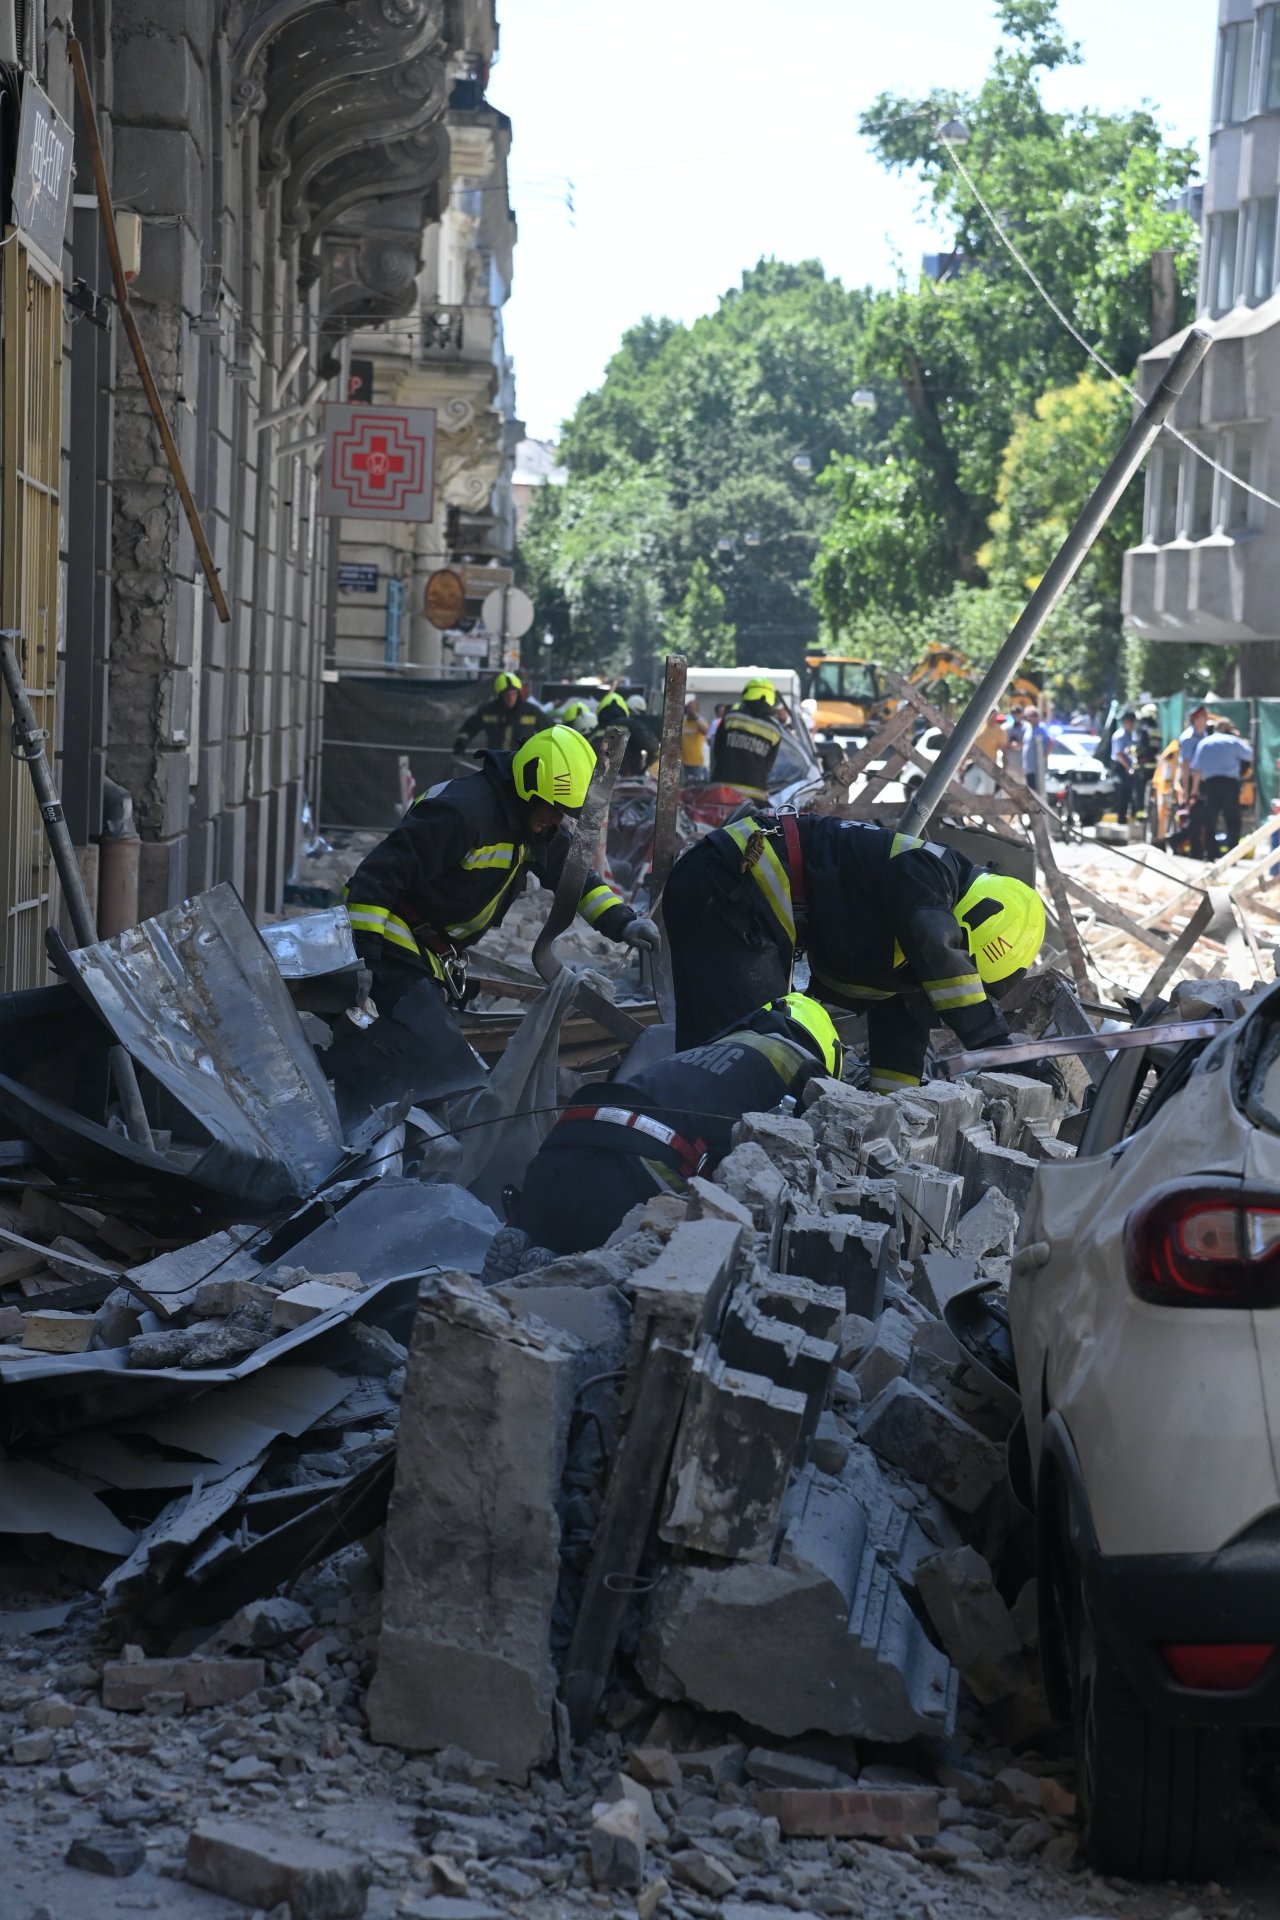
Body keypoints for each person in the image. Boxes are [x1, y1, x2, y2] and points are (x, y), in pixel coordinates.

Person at [662, 812, 1048, 1092]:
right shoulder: (927, 870)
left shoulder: (909, 931)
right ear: (965, 935)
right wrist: (995, 1046)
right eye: (968, 972)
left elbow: (901, 1016)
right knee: (746, 1053)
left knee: (742, 1053)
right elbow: (934, 944)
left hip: (735, 897)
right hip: (726, 883)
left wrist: (890, 1108)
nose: (958, 983)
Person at [344, 725, 660, 1016]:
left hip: (429, 951)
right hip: (387, 940)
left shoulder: (533, 822)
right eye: (554, 808)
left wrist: (623, 923)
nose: (558, 820)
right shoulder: (461, 813)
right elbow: (375, 880)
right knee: (428, 1059)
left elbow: (576, 880)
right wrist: (364, 963)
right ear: (528, 787)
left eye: (564, 813)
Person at [508, 995, 841, 1254]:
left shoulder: (716, 1049)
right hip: (641, 1163)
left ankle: (532, 1242)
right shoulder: (803, 1072)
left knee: (551, 1234)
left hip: (567, 1137)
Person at [709, 676, 784, 801]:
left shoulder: (731, 718)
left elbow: (716, 751)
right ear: (770, 698)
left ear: (747, 694)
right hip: (754, 796)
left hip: (722, 791)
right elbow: (768, 766)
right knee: (750, 821)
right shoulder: (774, 730)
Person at [1190, 722, 1253, 857]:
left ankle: (1211, 853)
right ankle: (1232, 854)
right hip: (1230, 785)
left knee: (1209, 821)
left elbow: (1197, 769)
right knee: (1233, 820)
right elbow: (1249, 755)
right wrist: (1241, 739)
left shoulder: (1204, 743)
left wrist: (1195, 790)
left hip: (1210, 785)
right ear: (1227, 729)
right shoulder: (1233, 741)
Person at [452, 671, 542, 756]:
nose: (510, 698)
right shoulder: (488, 711)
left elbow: (551, 730)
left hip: (522, 762)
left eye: (513, 693)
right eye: (507, 694)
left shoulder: (532, 712)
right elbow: (470, 728)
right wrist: (461, 743)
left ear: (518, 694)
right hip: (497, 762)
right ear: (500, 695)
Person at [594, 690, 660, 776]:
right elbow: (654, 748)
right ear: (624, 710)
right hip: (630, 781)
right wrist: (648, 763)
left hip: (602, 785)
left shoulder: (594, 733)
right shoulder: (632, 725)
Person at [1109, 710, 1138, 825]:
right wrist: (1128, 768)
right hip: (1121, 768)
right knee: (1122, 794)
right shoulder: (1120, 736)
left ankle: (1127, 817)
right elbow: (1119, 755)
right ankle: (1121, 819)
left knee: (1130, 793)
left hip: (1129, 768)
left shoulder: (1132, 735)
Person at [1018, 706, 1051, 792]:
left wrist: (1044, 755)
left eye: (1033, 715)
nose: (1030, 718)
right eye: (1028, 715)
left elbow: (1051, 741)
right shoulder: (1029, 728)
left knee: (1036, 792)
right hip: (1028, 767)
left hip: (1036, 768)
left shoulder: (1041, 728)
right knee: (1030, 791)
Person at [681, 696, 710, 783]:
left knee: (697, 785)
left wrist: (696, 718)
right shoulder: (683, 721)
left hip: (696, 761)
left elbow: (705, 732)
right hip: (684, 761)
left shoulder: (700, 721)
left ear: (696, 709)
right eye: (689, 708)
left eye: (693, 708)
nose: (691, 710)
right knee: (685, 785)